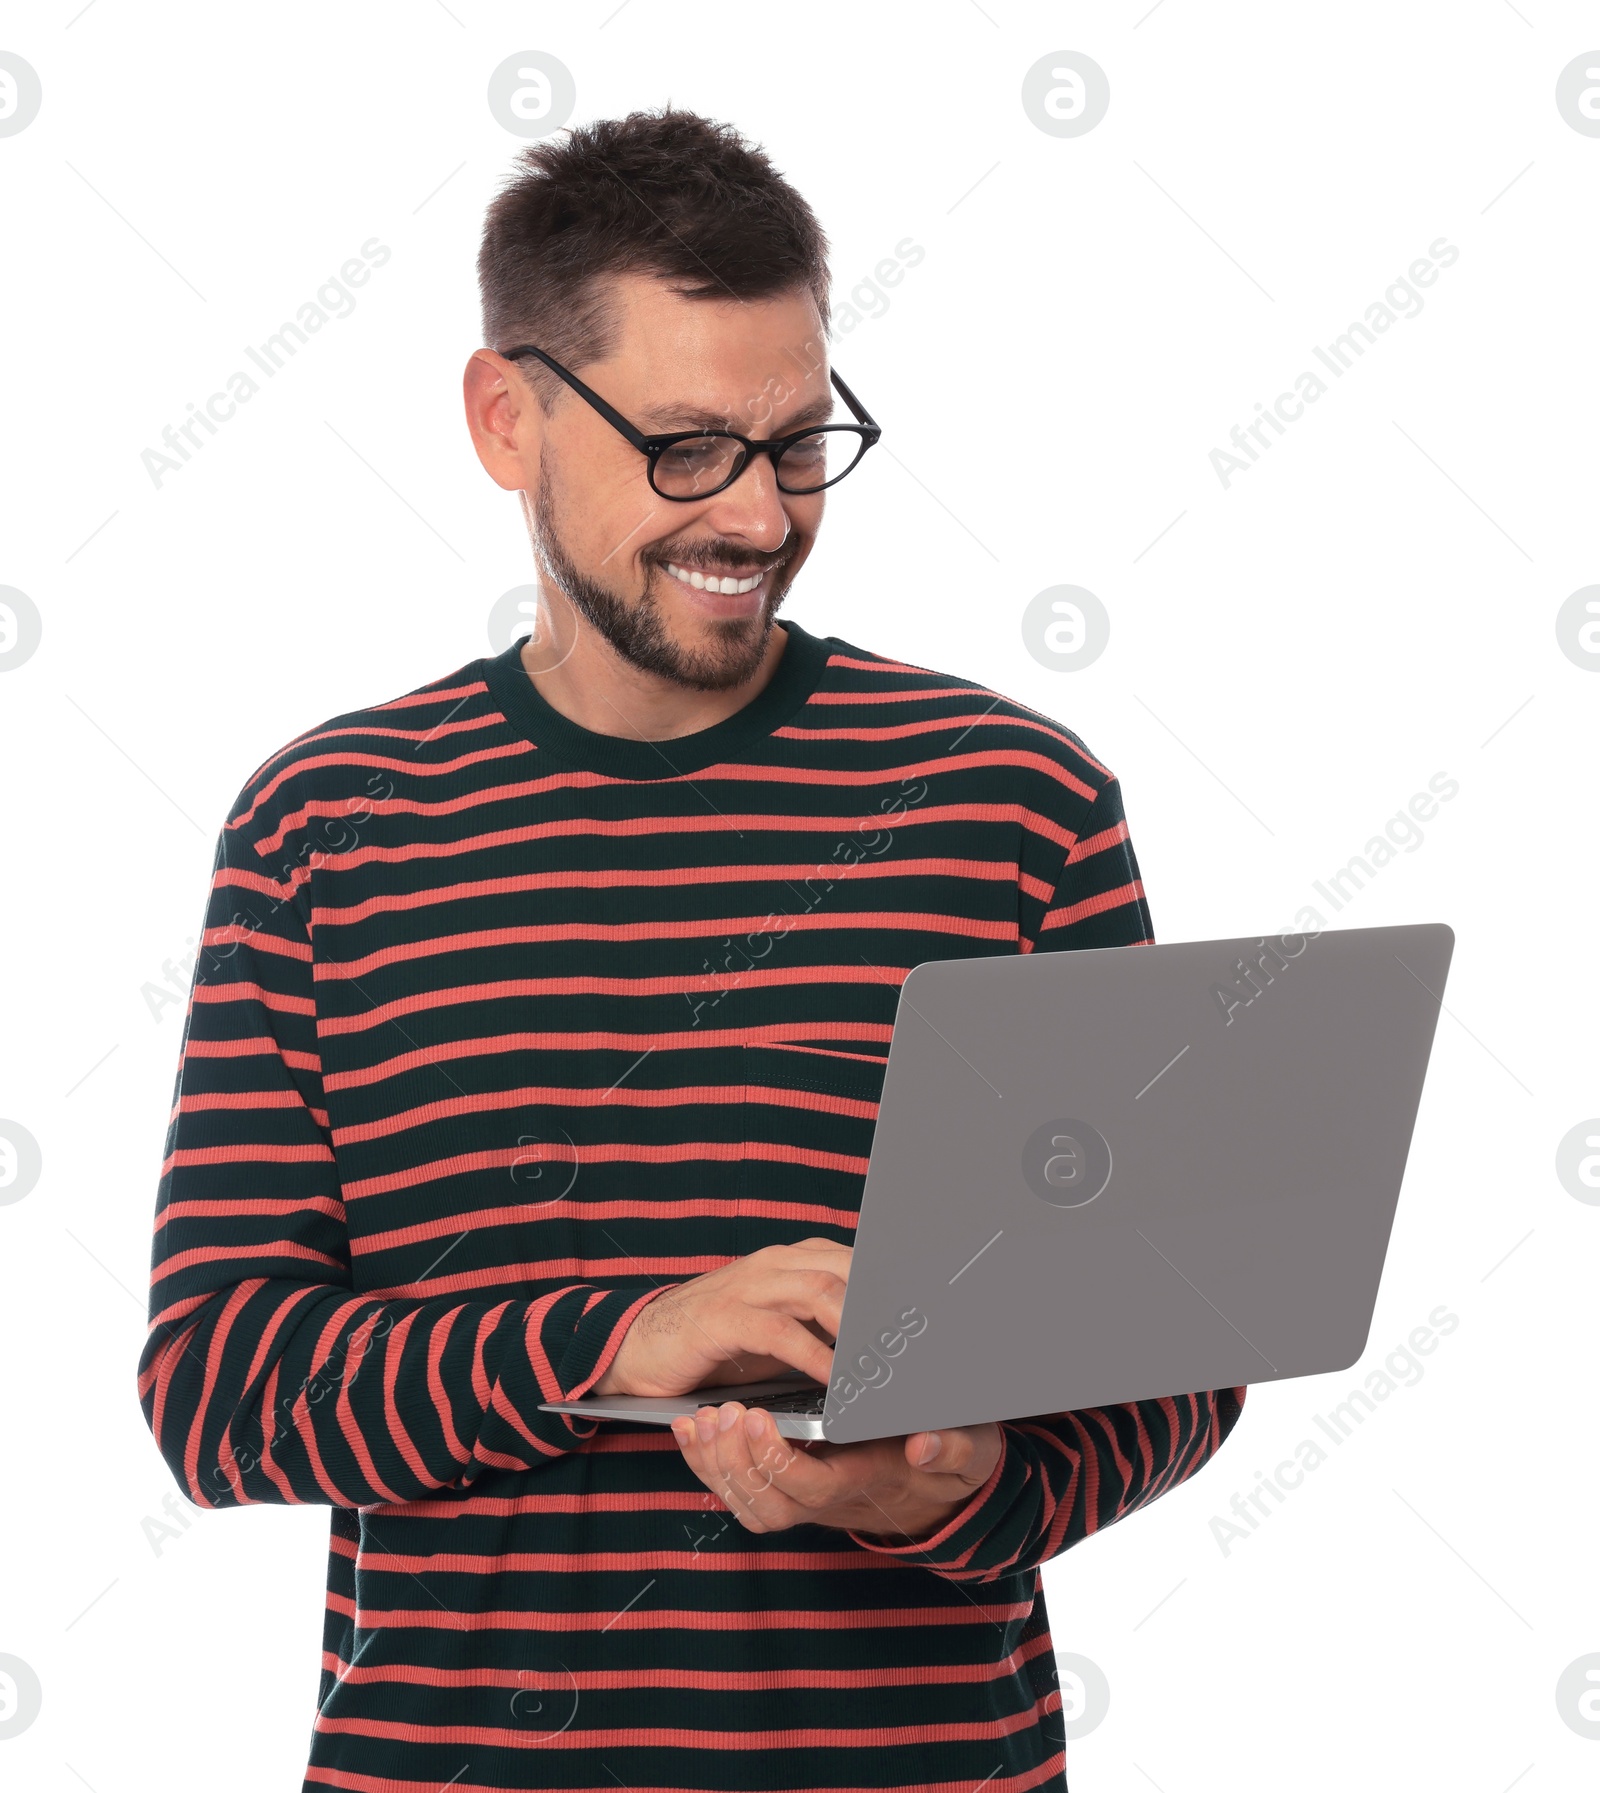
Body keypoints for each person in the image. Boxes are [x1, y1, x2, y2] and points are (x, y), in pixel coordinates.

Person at [138, 105, 1245, 1793]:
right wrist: (615, 1341)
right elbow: (217, 1385)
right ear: (506, 420)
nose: (756, 511)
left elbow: (1167, 1354)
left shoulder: (1013, 803)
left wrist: (962, 1484)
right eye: (684, 445)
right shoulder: (322, 827)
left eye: (798, 441)